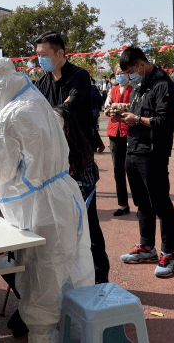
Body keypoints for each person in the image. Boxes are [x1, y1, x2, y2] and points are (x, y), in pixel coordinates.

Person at [0, 58, 94, 343]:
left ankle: (44, 336)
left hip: (41, 211)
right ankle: (78, 333)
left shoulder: (10, 115)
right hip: (62, 198)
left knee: (42, 280)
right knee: (71, 272)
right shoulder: (35, 99)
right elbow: (27, 148)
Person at [34, 31, 108, 282]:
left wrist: (47, 115)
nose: (40, 60)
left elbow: (66, 108)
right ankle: (70, 278)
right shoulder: (43, 82)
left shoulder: (80, 77)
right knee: (59, 225)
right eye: (38, 55)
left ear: (60, 54)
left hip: (79, 160)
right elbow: (33, 108)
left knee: (87, 220)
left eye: (44, 55)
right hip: (54, 164)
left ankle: (100, 275)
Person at [116, 47, 174, 278]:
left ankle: (168, 254)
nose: (130, 78)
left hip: (153, 152)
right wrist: (122, 113)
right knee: (142, 203)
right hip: (133, 150)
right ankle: (146, 247)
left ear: (142, 64)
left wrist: (138, 119)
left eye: (132, 72)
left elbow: (163, 120)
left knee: (161, 204)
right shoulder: (140, 86)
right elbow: (136, 113)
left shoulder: (163, 84)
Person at [54, 105, 108, 284]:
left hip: (81, 197)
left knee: (90, 233)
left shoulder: (77, 144)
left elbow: (87, 179)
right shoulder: (53, 142)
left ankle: (100, 277)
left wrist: (67, 184)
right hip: (67, 200)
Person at [103, 67, 132, 216]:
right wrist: (111, 110)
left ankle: (142, 205)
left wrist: (118, 106)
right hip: (114, 132)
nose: (119, 75)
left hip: (130, 132)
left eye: (122, 73)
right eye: (117, 73)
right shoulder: (113, 89)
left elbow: (134, 107)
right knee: (118, 170)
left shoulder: (135, 89)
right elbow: (106, 107)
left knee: (133, 170)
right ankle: (123, 205)